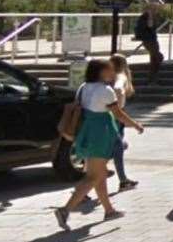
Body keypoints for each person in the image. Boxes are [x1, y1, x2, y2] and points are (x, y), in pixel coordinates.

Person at [55, 59, 144, 231]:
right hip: (100, 133)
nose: (112, 73)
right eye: (109, 70)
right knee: (94, 176)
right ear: (101, 72)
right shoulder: (105, 90)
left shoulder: (84, 87)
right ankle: (65, 210)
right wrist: (136, 125)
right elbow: (118, 114)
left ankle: (109, 210)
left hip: (87, 133)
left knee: (99, 173)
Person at [107, 52, 139, 192]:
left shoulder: (109, 77)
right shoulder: (121, 76)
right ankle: (122, 180)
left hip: (108, 115)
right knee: (119, 147)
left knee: (118, 147)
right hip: (116, 117)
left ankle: (122, 179)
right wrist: (118, 106)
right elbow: (119, 89)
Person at [132, 5, 165, 83]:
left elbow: (152, 28)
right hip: (148, 40)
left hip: (153, 40)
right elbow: (149, 26)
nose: (156, 10)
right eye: (154, 9)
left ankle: (152, 78)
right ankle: (152, 76)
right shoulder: (144, 18)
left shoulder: (152, 17)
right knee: (159, 57)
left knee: (154, 59)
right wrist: (150, 15)